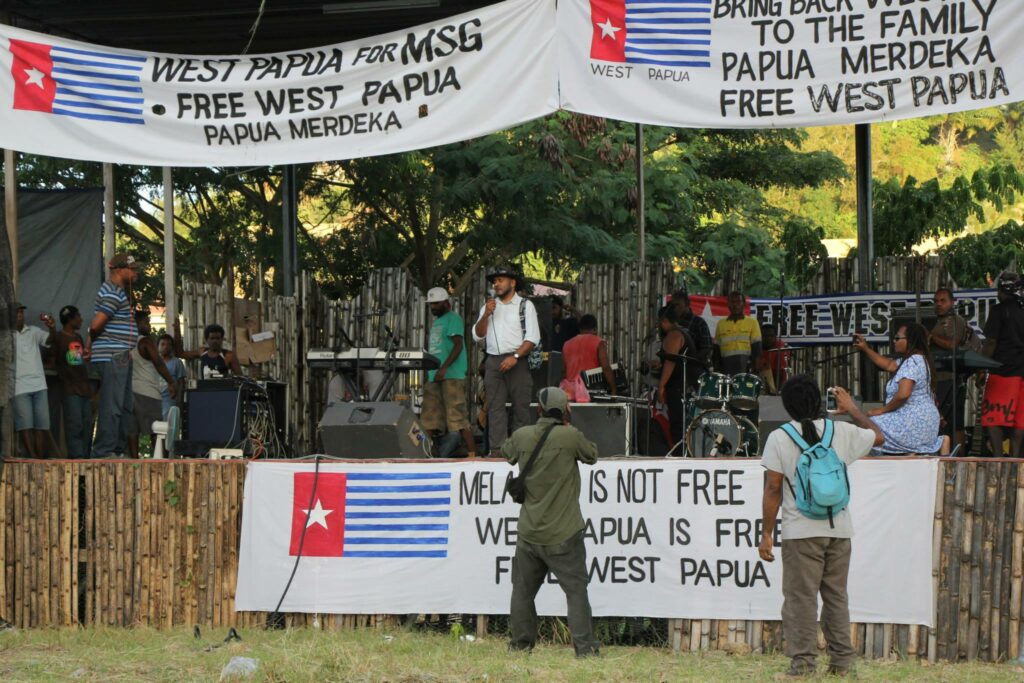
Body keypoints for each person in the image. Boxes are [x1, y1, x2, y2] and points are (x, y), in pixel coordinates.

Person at [759, 376, 884, 677]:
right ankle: (842, 664)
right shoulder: (839, 431)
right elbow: (878, 437)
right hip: (839, 529)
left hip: (800, 532)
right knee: (836, 597)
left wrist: (766, 533)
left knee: (800, 600)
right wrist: (852, 409)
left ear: (787, 406)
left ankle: (802, 666)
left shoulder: (779, 437)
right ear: (819, 401)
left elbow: (773, 489)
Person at [502, 387, 600, 658]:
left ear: (539, 410)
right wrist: (568, 426)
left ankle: (521, 646)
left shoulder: (522, 436)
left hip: (530, 531)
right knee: (576, 592)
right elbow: (592, 454)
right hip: (565, 532)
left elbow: (506, 452)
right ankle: (585, 649)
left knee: (522, 592)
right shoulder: (570, 436)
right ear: (566, 410)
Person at [851, 324, 949, 455]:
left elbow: (903, 394)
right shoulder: (916, 360)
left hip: (915, 423)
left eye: (897, 338)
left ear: (910, 340)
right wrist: (865, 348)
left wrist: (881, 410)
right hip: (924, 423)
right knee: (870, 427)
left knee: (869, 425)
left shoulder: (913, 361)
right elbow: (889, 365)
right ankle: (914, 452)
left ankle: (897, 458)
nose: (894, 341)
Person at [472, 264, 540, 452]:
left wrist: (515, 356)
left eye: (500, 280)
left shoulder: (525, 305)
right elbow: (477, 335)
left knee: (521, 408)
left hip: (518, 360)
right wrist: (486, 314)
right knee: (494, 409)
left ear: (512, 282)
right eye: (495, 281)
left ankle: (521, 450)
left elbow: (532, 338)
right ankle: (497, 451)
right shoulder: (489, 306)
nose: (497, 284)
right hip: (493, 361)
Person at [87, 252, 139, 458]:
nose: (136, 273)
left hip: (120, 354)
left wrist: (91, 346)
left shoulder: (116, 291)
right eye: (132, 269)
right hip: (113, 355)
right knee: (112, 405)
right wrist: (95, 343)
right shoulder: (112, 293)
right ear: (119, 270)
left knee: (124, 406)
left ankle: (116, 449)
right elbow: (96, 324)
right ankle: (103, 451)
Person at [422, 286, 476, 458]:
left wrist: (444, 368)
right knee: (429, 418)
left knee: (457, 417)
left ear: (446, 302)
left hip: (451, 376)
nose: (433, 307)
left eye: (436, 304)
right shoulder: (437, 322)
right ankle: (425, 456)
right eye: (431, 305)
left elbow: (458, 345)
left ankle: (472, 455)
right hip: (435, 375)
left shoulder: (453, 319)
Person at [980, 272, 1024, 457]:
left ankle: (998, 461)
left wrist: (982, 367)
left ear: (1001, 290)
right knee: (1019, 421)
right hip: (1022, 373)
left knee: (993, 418)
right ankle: (1015, 464)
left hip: (1003, 372)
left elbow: (991, 342)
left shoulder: (999, 311)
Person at [930, 287, 974, 449]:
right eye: (936, 301)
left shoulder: (955, 321)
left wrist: (932, 336)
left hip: (950, 379)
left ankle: (959, 458)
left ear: (952, 302)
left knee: (955, 423)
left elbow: (953, 344)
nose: (938, 304)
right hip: (938, 379)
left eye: (943, 301)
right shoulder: (938, 321)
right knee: (943, 422)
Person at [13, 303, 55, 457]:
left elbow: (50, 340)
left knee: (41, 426)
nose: (20, 315)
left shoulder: (33, 331)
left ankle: (39, 459)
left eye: (21, 312)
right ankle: (33, 458)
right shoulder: (5, 336)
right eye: (16, 312)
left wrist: (51, 327)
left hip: (39, 385)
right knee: (25, 426)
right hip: (19, 386)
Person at [54, 305, 94, 458]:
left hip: (83, 388)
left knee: (86, 425)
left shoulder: (77, 338)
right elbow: (55, 359)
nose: (81, 319)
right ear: (70, 319)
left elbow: (77, 361)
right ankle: (77, 459)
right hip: (70, 389)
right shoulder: (59, 337)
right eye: (78, 316)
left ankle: (85, 457)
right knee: (75, 425)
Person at [656, 306, 696, 449]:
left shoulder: (674, 335)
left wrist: (661, 386)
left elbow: (670, 361)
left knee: (677, 424)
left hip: (678, 385)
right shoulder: (684, 333)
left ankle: (679, 452)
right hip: (685, 384)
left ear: (664, 321)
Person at [560, 314, 615, 402]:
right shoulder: (599, 342)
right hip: (591, 393)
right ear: (595, 329)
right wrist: (613, 389)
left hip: (571, 394)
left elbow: (563, 371)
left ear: (580, 329)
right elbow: (605, 367)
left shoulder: (566, 344)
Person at [713, 290, 761, 376]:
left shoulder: (752, 322)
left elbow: (756, 349)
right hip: (725, 366)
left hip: (746, 366)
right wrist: (716, 369)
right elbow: (716, 349)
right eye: (732, 302)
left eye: (738, 302)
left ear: (744, 304)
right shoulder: (721, 324)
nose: (735, 305)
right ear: (728, 304)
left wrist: (756, 370)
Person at [175, 323, 242, 378]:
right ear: (207, 339)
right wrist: (177, 332)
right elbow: (181, 354)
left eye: (217, 338)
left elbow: (240, 377)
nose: (215, 341)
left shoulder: (229, 356)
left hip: (223, 391)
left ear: (222, 339)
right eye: (212, 338)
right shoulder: (202, 352)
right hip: (205, 391)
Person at [671, 289, 713, 365]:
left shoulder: (699, 322)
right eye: (673, 305)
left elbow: (706, 347)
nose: (675, 308)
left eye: (678, 305)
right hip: (673, 365)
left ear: (687, 304)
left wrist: (691, 360)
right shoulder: (672, 322)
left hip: (693, 367)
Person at [157, 333, 187, 419]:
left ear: (172, 347)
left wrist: (179, 401)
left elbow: (181, 383)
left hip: (170, 400)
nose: (166, 347)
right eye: (162, 344)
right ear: (157, 347)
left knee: (169, 426)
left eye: (169, 344)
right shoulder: (153, 362)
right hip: (155, 399)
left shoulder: (177, 362)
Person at [755, 323, 789, 394]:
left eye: (771, 336)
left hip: (777, 379)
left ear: (775, 336)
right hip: (760, 377)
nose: (768, 338)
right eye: (765, 336)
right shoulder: (756, 346)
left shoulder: (780, 346)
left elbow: (781, 371)